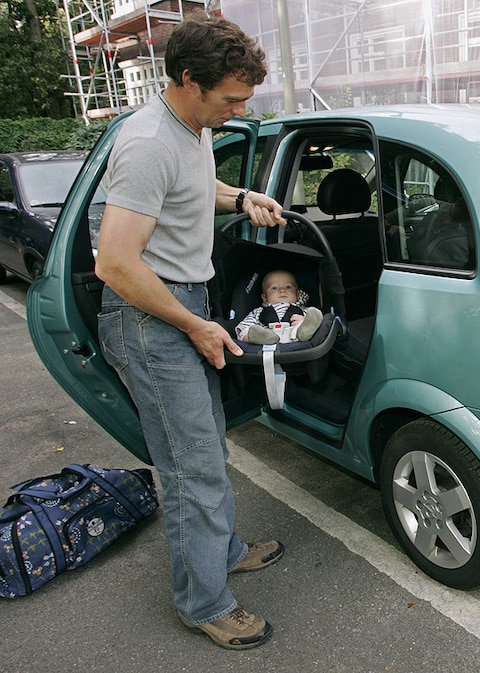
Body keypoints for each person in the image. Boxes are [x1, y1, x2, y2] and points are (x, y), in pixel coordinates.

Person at [94, 16, 287, 650]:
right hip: (153, 320)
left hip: (183, 308)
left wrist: (241, 197)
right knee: (190, 466)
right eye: (230, 99)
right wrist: (194, 324)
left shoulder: (192, 128)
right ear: (187, 80)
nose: (238, 110)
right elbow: (115, 263)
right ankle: (203, 601)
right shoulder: (148, 142)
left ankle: (223, 551)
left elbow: (192, 189)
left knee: (207, 450)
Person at [235, 269, 324, 345]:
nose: (282, 290)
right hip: (266, 336)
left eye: (288, 287)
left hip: (294, 337)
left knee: (309, 321)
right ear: (264, 297)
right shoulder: (258, 312)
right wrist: (248, 333)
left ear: (297, 295)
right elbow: (245, 325)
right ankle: (257, 337)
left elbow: (311, 319)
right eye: (274, 288)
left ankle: (304, 332)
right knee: (246, 330)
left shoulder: (303, 309)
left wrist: (302, 320)